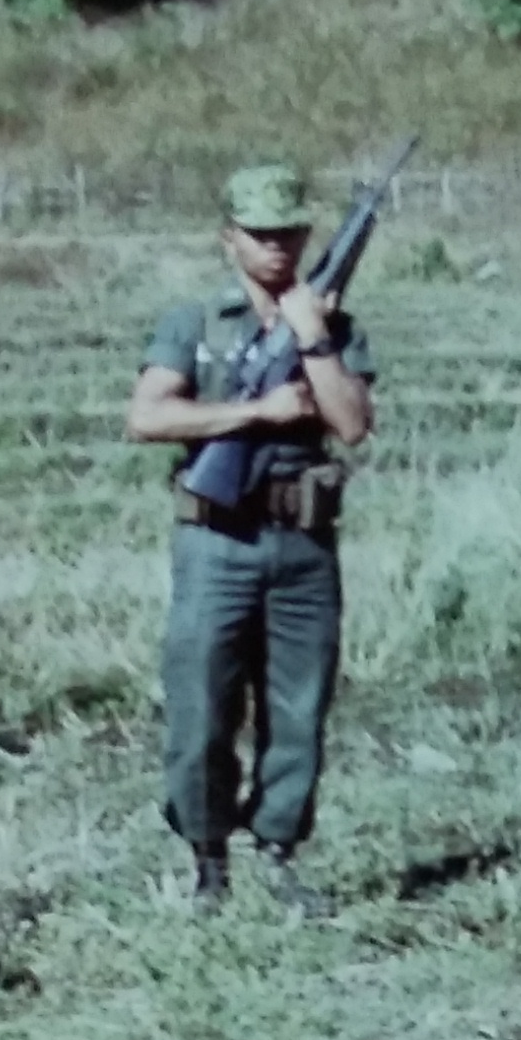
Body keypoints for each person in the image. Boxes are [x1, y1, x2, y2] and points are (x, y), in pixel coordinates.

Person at [125, 162, 375, 904]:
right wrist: (254, 414)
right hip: (216, 544)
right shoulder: (194, 324)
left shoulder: (335, 327)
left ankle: (278, 853)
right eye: (259, 234)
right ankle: (208, 859)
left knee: (298, 707)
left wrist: (313, 338)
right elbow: (148, 418)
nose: (276, 248)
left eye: (289, 232)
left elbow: (352, 426)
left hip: (303, 548)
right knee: (201, 704)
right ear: (228, 238)